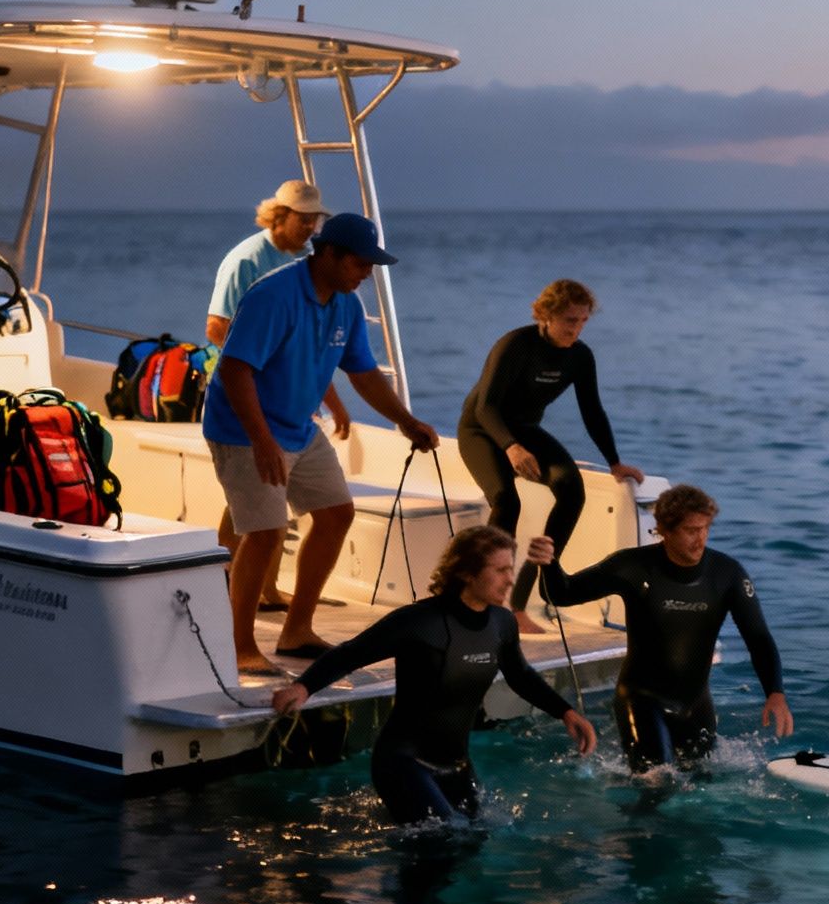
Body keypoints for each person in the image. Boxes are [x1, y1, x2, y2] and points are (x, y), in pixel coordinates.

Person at [205, 212, 438, 675]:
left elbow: (363, 373)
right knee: (265, 533)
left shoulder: (347, 304)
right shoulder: (274, 295)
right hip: (244, 430)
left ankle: (297, 631)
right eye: (360, 263)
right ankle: (240, 647)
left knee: (336, 513)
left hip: (299, 427)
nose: (366, 273)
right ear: (328, 254)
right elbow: (234, 368)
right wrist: (262, 440)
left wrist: (406, 421)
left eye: (371, 265)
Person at [271, 525, 597, 823]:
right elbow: (352, 653)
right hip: (403, 762)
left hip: (457, 766)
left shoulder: (502, 623)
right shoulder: (420, 622)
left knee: (475, 839)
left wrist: (565, 712)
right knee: (443, 843)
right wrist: (303, 687)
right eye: (500, 570)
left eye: (510, 569)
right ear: (467, 572)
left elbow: (520, 674)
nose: (510, 579)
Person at [529, 483, 792, 772]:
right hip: (642, 700)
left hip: (695, 704)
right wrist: (549, 564)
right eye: (691, 530)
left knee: (701, 784)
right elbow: (562, 594)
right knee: (656, 784)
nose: (700, 539)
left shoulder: (727, 574)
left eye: (705, 528)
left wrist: (775, 692)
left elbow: (758, 637)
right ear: (664, 530)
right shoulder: (632, 567)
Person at [458, 280, 643, 635]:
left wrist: (614, 462)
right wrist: (511, 446)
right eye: (570, 320)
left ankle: (524, 599)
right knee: (506, 501)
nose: (576, 329)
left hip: (525, 431)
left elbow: (592, 411)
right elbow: (486, 407)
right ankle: (488, 602)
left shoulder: (580, 356)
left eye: (583, 321)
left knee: (571, 489)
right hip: (482, 430)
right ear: (546, 315)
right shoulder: (515, 345)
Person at [207, 180, 353, 611]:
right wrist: (264, 364)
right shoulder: (248, 261)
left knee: (261, 503)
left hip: (290, 404)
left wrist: (334, 401)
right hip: (246, 397)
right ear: (278, 216)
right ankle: (227, 586)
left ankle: (263, 589)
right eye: (302, 219)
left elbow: (310, 345)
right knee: (255, 505)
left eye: (315, 219)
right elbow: (216, 327)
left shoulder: (305, 263)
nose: (311, 227)